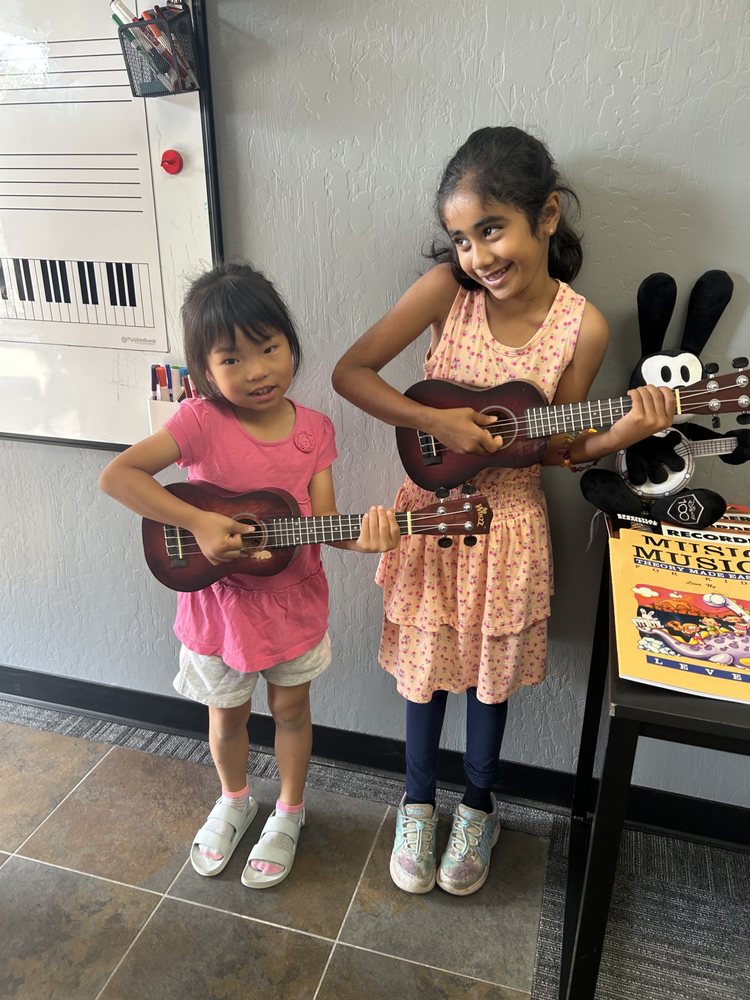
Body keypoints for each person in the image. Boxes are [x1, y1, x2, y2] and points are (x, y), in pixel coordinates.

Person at [332, 125, 674, 896]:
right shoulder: (445, 293)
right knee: (425, 674)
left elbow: (557, 446)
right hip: (430, 517)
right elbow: (351, 373)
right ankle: (418, 801)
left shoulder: (583, 326)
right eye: (462, 239)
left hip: (508, 528)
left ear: (546, 214)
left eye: (491, 230)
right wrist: (437, 422)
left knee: (488, 680)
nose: (477, 256)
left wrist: (626, 431)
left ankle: (478, 807)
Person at [100, 262, 400, 888]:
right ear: (205, 371)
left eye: (269, 348)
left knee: (291, 709)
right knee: (226, 715)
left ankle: (289, 810)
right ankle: (234, 799)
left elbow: (324, 523)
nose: (258, 370)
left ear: (291, 344)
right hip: (220, 608)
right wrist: (199, 523)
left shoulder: (314, 430)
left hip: (291, 604)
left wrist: (367, 537)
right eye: (232, 359)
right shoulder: (198, 422)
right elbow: (118, 476)